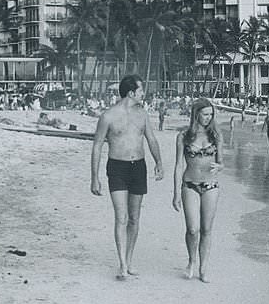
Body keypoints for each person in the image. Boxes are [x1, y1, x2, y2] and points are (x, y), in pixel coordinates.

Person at [90, 75, 163, 280]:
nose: (143, 94)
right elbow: (96, 146)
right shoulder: (108, 116)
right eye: (141, 90)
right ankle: (122, 264)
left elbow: (152, 140)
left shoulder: (143, 115)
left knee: (134, 218)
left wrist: (159, 162)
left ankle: (129, 261)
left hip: (138, 167)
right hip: (117, 168)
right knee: (121, 217)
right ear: (131, 93)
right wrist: (94, 177)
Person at [172, 99, 224, 283]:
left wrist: (220, 167)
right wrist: (176, 193)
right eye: (205, 114)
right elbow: (179, 165)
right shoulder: (183, 136)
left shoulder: (216, 136)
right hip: (190, 184)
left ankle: (203, 267)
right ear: (196, 115)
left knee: (207, 229)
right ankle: (192, 260)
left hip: (211, 186)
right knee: (193, 229)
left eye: (211, 114)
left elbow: (221, 162)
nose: (208, 118)